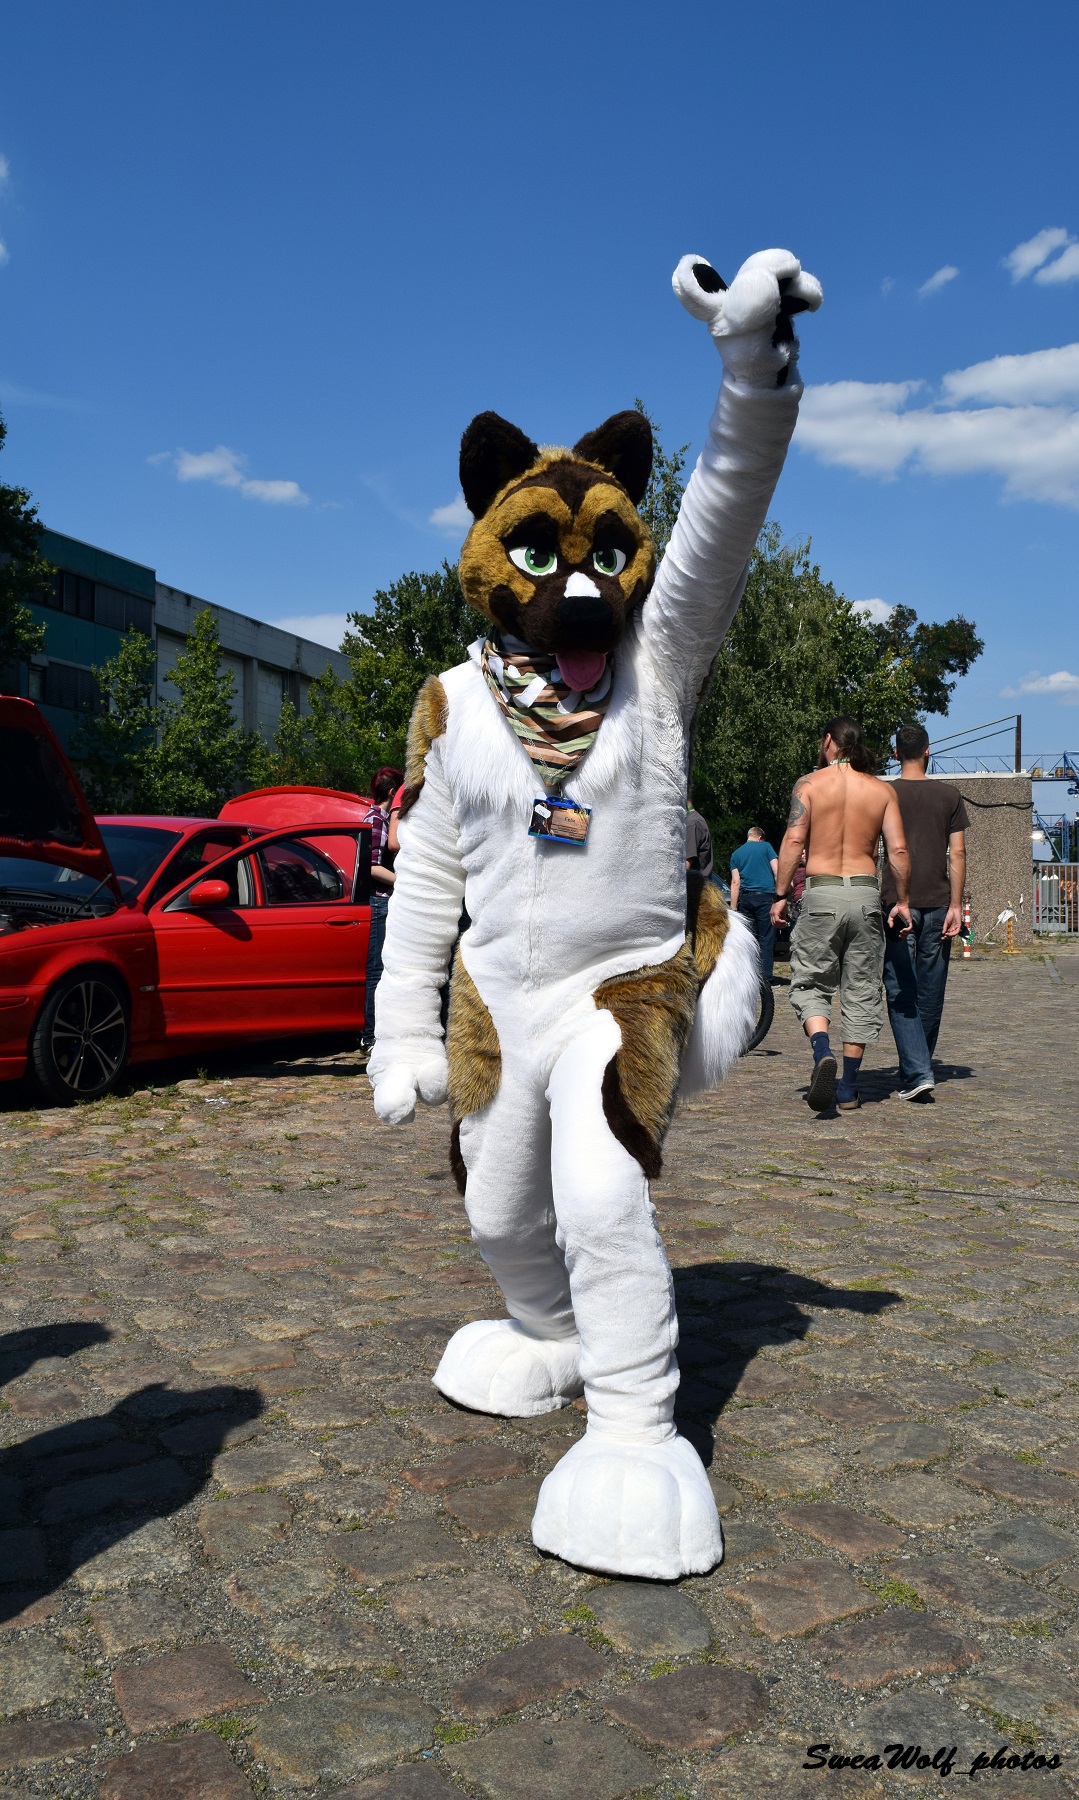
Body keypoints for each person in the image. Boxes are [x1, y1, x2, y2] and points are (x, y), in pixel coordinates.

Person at [771, 718, 911, 1113]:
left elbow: (794, 839)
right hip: (865, 895)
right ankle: (848, 1088)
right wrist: (903, 901)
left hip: (822, 892)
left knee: (810, 981)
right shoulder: (882, 791)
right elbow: (898, 851)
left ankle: (821, 1052)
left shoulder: (809, 785)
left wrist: (780, 894)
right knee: (861, 988)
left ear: (828, 741)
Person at [881, 723, 968, 1101]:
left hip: (895, 903)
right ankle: (919, 1067)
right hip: (937, 902)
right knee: (931, 990)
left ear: (896, 753)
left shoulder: (884, 793)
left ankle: (917, 1071)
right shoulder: (949, 795)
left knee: (900, 987)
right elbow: (958, 853)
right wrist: (956, 906)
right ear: (928, 751)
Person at [361, 765, 403, 1052]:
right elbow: (372, 867)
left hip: (384, 899)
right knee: (377, 969)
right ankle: (370, 1035)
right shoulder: (376, 819)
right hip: (379, 899)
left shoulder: (380, 817)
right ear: (392, 792)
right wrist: (403, 882)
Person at [730, 825, 779, 982]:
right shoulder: (766, 846)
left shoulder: (736, 854)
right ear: (760, 837)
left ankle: (749, 977)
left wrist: (733, 908)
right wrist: (781, 896)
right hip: (765, 897)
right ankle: (766, 978)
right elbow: (777, 871)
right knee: (766, 938)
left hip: (746, 899)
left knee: (749, 940)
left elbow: (735, 882)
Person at [685, 804, 714, 879]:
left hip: (695, 884)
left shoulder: (691, 823)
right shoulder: (694, 820)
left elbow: (686, 864)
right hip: (699, 882)